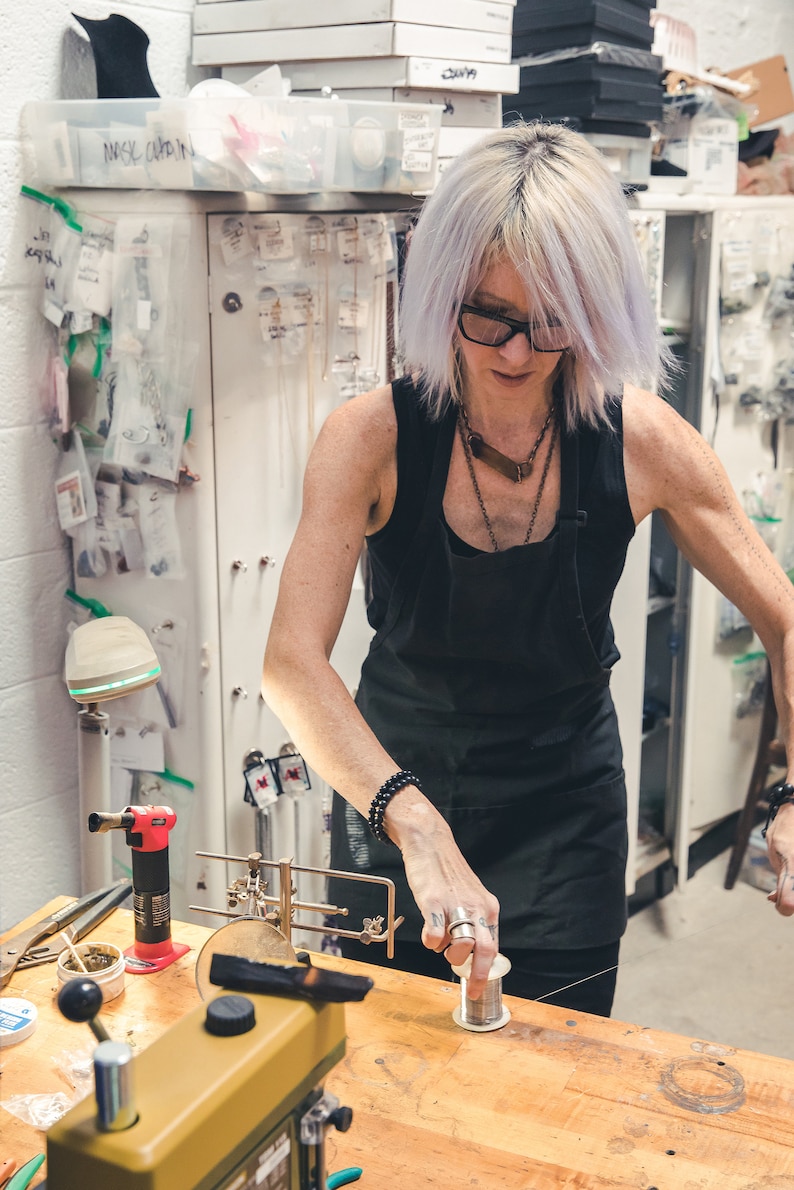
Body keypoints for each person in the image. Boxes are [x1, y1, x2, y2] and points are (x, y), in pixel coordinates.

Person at [262, 121, 794, 1014]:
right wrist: (413, 822)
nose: (516, 352)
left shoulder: (642, 442)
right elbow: (290, 663)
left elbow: (784, 618)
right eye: (489, 317)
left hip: (565, 819)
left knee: (561, 1086)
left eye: (551, 322)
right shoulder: (370, 439)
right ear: (440, 299)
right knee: (382, 1086)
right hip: (393, 794)